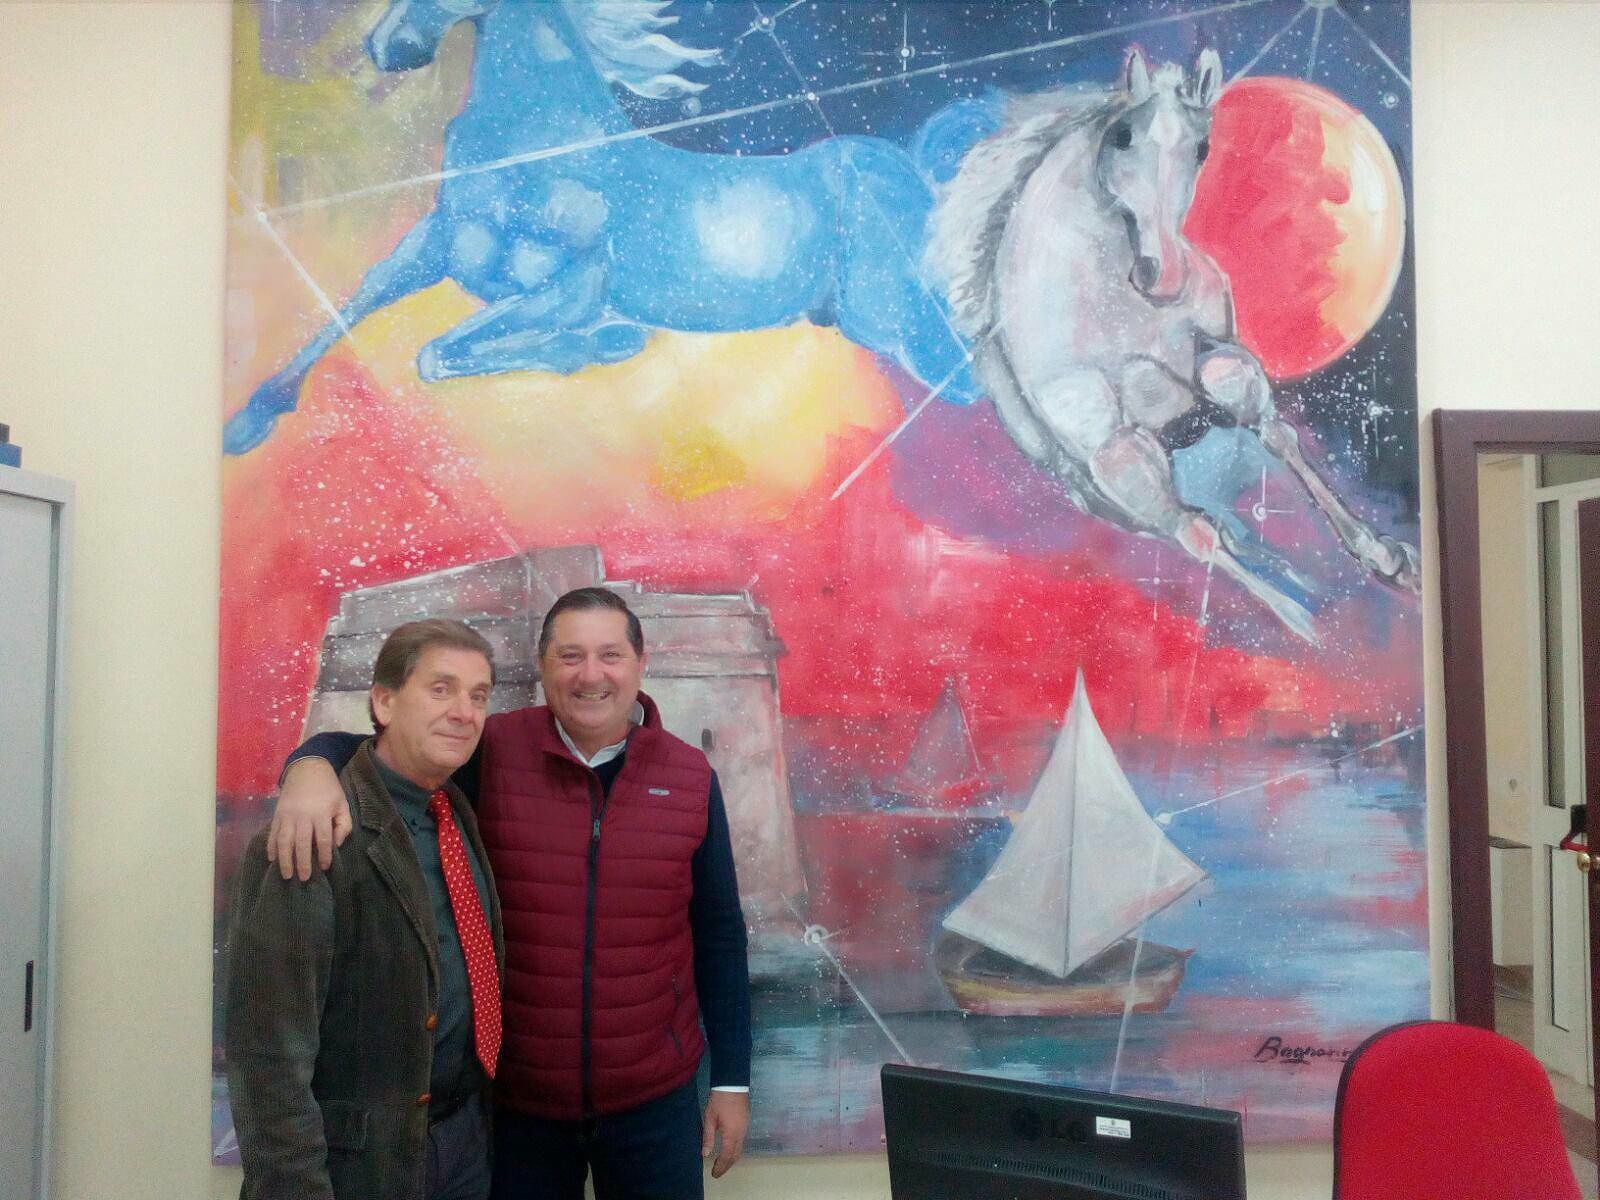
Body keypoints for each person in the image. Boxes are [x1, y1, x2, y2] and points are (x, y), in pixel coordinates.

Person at [268, 587, 752, 1200]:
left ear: (640, 664)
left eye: (610, 654)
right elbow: (389, 751)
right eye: (570, 656)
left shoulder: (689, 776)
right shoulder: (490, 749)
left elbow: (719, 934)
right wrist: (310, 764)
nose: (591, 675)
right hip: (518, 1107)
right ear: (543, 667)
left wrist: (731, 1081)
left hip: (655, 1101)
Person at [226, 619, 504, 1200]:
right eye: (441, 689)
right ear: (383, 702)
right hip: (360, 1165)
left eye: (478, 696)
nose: (464, 712)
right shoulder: (316, 829)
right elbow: (269, 1054)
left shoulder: (455, 809)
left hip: (464, 1143)